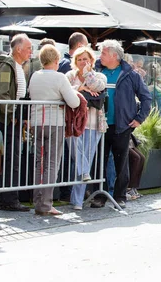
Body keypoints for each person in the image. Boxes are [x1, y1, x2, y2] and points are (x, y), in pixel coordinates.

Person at [90, 40, 151, 209]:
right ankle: (99, 196)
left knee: (121, 162)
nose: (99, 56)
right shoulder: (96, 70)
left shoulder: (130, 74)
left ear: (114, 56)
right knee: (98, 162)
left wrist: (139, 118)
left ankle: (120, 196)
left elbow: (146, 97)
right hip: (98, 125)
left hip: (121, 125)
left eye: (103, 53)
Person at [28, 45, 80, 216]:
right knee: (51, 163)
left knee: (39, 163)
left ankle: (38, 201)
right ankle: (46, 204)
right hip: (54, 123)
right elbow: (74, 102)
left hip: (37, 122)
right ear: (57, 61)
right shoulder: (59, 77)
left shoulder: (35, 75)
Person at [0, 34, 33, 212]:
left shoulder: (18, 65)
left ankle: (7, 197)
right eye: (28, 48)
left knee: (14, 158)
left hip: (14, 115)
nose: (31, 51)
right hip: (9, 116)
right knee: (12, 158)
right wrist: (12, 113)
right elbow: (2, 92)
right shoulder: (7, 65)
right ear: (18, 49)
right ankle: (8, 198)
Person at [66, 46, 107, 210]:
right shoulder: (69, 76)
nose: (83, 62)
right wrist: (79, 89)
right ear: (75, 61)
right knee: (81, 161)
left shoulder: (99, 75)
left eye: (86, 59)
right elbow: (63, 90)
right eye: (80, 59)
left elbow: (98, 86)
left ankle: (76, 201)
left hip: (93, 124)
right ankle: (78, 190)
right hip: (73, 124)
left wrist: (87, 75)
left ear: (92, 60)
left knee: (85, 161)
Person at [57, 33, 89, 202]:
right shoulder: (66, 67)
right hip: (69, 117)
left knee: (70, 154)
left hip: (71, 118)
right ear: (78, 47)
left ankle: (67, 191)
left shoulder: (62, 64)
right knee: (70, 154)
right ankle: (67, 192)